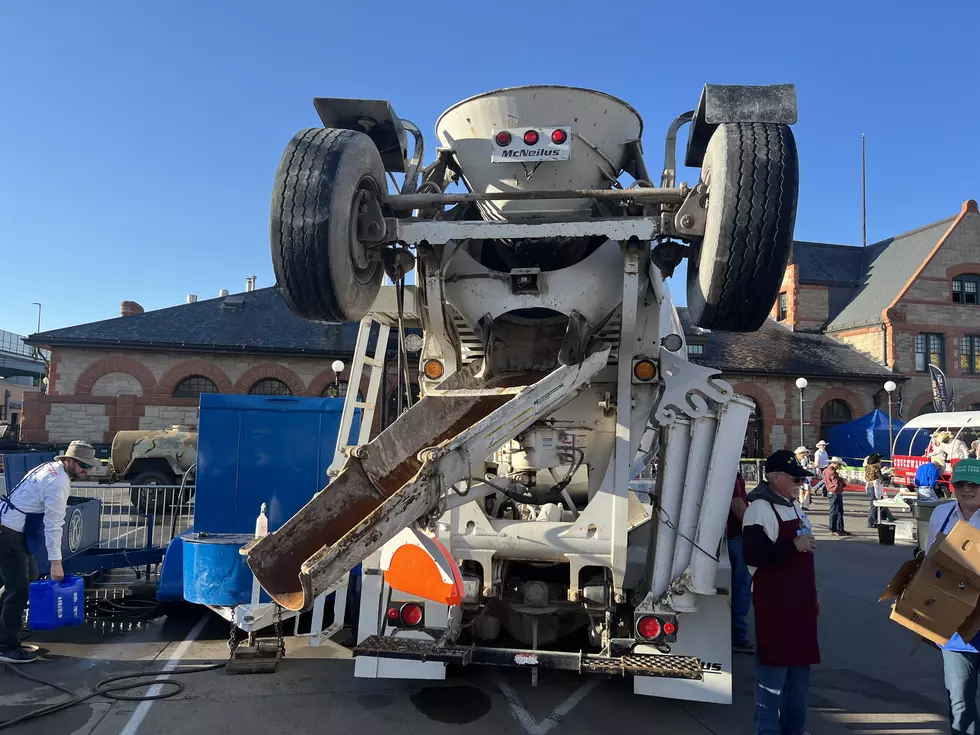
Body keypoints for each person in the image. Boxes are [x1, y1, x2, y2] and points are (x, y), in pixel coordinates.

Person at [742, 450, 819, 735]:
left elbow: (805, 552)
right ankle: (767, 731)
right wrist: (793, 547)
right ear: (775, 478)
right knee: (773, 677)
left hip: (801, 603)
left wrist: (814, 596)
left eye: (802, 479)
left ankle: (794, 729)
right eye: (796, 478)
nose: (801, 483)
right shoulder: (759, 509)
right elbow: (752, 554)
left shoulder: (792, 505)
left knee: (800, 674)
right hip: (777, 605)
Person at [0, 441, 97, 663]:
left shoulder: (47, 468)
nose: (86, 471)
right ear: (70, 461)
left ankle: (4, 634)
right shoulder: (59, 482)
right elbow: (54, 524)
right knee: (18, 591)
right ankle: (6, 647)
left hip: (11, 527)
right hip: (8, 533)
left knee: (28, 577)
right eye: (83, 466)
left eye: (89, 467)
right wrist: (56, 562)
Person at [926, 459, 980, 735]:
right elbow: (929, 561)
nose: (967, 489)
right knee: (959, 701)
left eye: (973, 484)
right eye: (960, 484)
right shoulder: (942, 514)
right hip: (954, 624)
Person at [727, 471, 754, 654]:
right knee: (742, 584)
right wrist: (755, 529)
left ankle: (733, 630)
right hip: (736, 535)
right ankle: (738, 634)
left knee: (737, 585)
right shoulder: (730, 472)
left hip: (730, 535)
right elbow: (737, 504)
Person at [824, 457, 851, 537]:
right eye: (839, 465)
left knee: (838, 511)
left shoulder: (827, 470)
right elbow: (836, 483)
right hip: (834, 492)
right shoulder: (832, 472)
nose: (839, 467)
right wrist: (842, 481)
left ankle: (839, 528)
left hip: (833, 492)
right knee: (835, 511)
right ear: (835, 463)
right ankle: (834, 529)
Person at [865, 453, 891, 528]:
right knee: (874, 505)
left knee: (874, 504)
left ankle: (879, 519)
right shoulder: (875, 468)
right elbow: (881, 478)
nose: (881, 461)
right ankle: (872, 522)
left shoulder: (867, 467)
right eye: (879, 460)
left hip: (869, 486)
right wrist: (888, 476)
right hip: (874, 487)